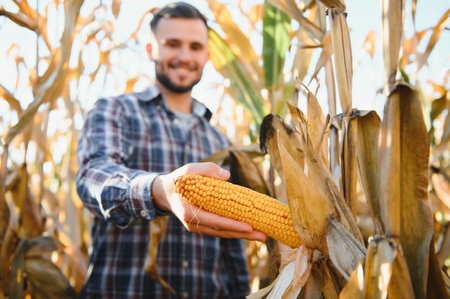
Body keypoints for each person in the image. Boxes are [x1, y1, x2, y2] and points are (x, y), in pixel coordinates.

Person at [75, 2, 266, 298]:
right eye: (172, 44)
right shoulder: (113, 112)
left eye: (195, 47)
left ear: (206, 55)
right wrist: (159, 190)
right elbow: (93, 179)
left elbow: (232, 245)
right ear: (151, 49)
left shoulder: (222, 142)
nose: (184, 56)